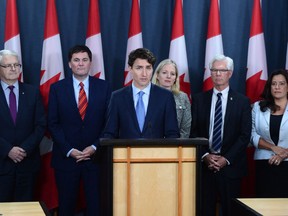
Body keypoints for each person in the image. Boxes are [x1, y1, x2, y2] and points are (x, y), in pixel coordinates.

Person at [48, 45, 111, 216]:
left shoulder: (104, 87)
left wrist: (94, 147)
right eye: (76, 60)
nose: (80, 64)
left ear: (90, 63)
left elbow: (109, 123)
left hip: (96, 159)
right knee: (66, 208)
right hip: (66, 158)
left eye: (84, 60)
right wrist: (69, 150)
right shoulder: (57, 88)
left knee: (96, 208)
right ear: (69, 64)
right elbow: (53, 123)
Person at [190, 54, 251, 216]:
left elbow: (245, 135)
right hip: (205, 167)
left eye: (222, 70)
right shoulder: (198, 99)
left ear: (229, 73)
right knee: (204, 211)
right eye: (214, 70)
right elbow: (193, 132)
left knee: (231, 211)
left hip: (231, 167)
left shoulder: (242, 102)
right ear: (210, 73)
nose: (218, 74)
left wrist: (226, 159)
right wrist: (204, 155)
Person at [0, 50, 46, 201]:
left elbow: (40, 125)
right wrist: (7, 150)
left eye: (16, 65)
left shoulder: (32, 92)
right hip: (2, 164)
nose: (13, 69)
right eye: (8, 65)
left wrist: (24, 149)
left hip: (27, 164)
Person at [104, 48, 179, 138]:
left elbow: (172, 134)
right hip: (126, 151)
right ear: (130, 69)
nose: (144, 74)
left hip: (156, 152)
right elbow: (110, 134)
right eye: (139, 68)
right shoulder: (117, 97)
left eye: (148, 68)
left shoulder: (165, 96)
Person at [251, 69, 288, 198]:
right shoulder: (258, 107)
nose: (277, 87)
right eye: (274, 84)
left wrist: (284, 153)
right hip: (264, 164)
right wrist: (273, 148)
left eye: (282, 83)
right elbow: (252, 134)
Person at [152, 59, 191, 138]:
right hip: (151, 145)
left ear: (175, 78)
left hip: (175, 146)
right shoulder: (148, 96)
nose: (168, 76)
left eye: (172, 74)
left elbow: (185, 129)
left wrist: (175, 145)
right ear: (157, 75)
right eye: (164, 73)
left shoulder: (183, 98)